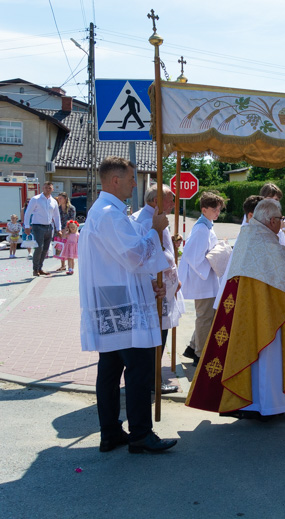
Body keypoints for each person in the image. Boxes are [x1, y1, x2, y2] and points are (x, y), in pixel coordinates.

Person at [78, 156, 177, 454]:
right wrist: (156, 230)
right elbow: (133, 255)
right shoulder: (108, 214)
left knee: (110, 369)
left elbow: (122, 263)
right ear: (115, 180)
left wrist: (149, 284)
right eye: (132, 177)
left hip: (115, 297)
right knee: (139, 369)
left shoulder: (106, 212)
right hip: (124, 305)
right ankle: (140, 435)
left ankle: (110, 432)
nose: (136, 183)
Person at [186, 199, 285, 420]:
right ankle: (270, 406)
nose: (281, 224)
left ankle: (250, 404)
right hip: (268, 318)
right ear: (272, 221)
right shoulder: (268, 246)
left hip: (244, 317)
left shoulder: (247, 236)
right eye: (280, 220)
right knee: (268, 359)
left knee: (251, 360)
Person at [131, 184, 183, 394]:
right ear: (155, 201)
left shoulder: (157, 218)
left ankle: (151, 378)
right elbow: (144, 255)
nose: (173, 203)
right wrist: (156, 281)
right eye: (170, 199)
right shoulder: (146, 221)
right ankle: (152, 381)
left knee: (160, 334)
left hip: (163, 287)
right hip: (154, 289)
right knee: (155, 336)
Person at [177, 191, 225, 366]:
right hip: (202, 279)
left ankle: (193, 347)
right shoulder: (201, 229)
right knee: (205, 317)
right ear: (204, 209)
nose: (217, 212)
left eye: (219, 209)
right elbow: (194, 257)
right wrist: (214, 261)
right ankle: (200, 354)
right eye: (214, 209)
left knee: (207, 315)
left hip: (206, 279)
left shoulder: (206, 225)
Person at [23, 181, 61, 277]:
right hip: (38, 226)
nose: (48, 189)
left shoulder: (53, 201)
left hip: (49, 226)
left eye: (50, 188)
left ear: (52, 189)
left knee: (45, 249)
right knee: (39, 247)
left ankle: (40, 267)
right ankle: (35, 269)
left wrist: (59, 228)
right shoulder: (36, 199)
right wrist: (26, 226)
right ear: (43, 188)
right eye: (46, 187)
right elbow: (28, 213)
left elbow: (57, 216)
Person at [55, 192, 76, 271]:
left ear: (65, 199)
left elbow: (72, 219)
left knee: (69, 248)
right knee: (61, 247)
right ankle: (62, 265)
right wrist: (59, 229)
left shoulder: (71, 208)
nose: (59, 200)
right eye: (58, 198)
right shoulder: (58, 208)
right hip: (59, 230)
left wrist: (66, 229)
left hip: (68, 231)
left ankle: (70, 266)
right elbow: (56, 219)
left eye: (61, 198)